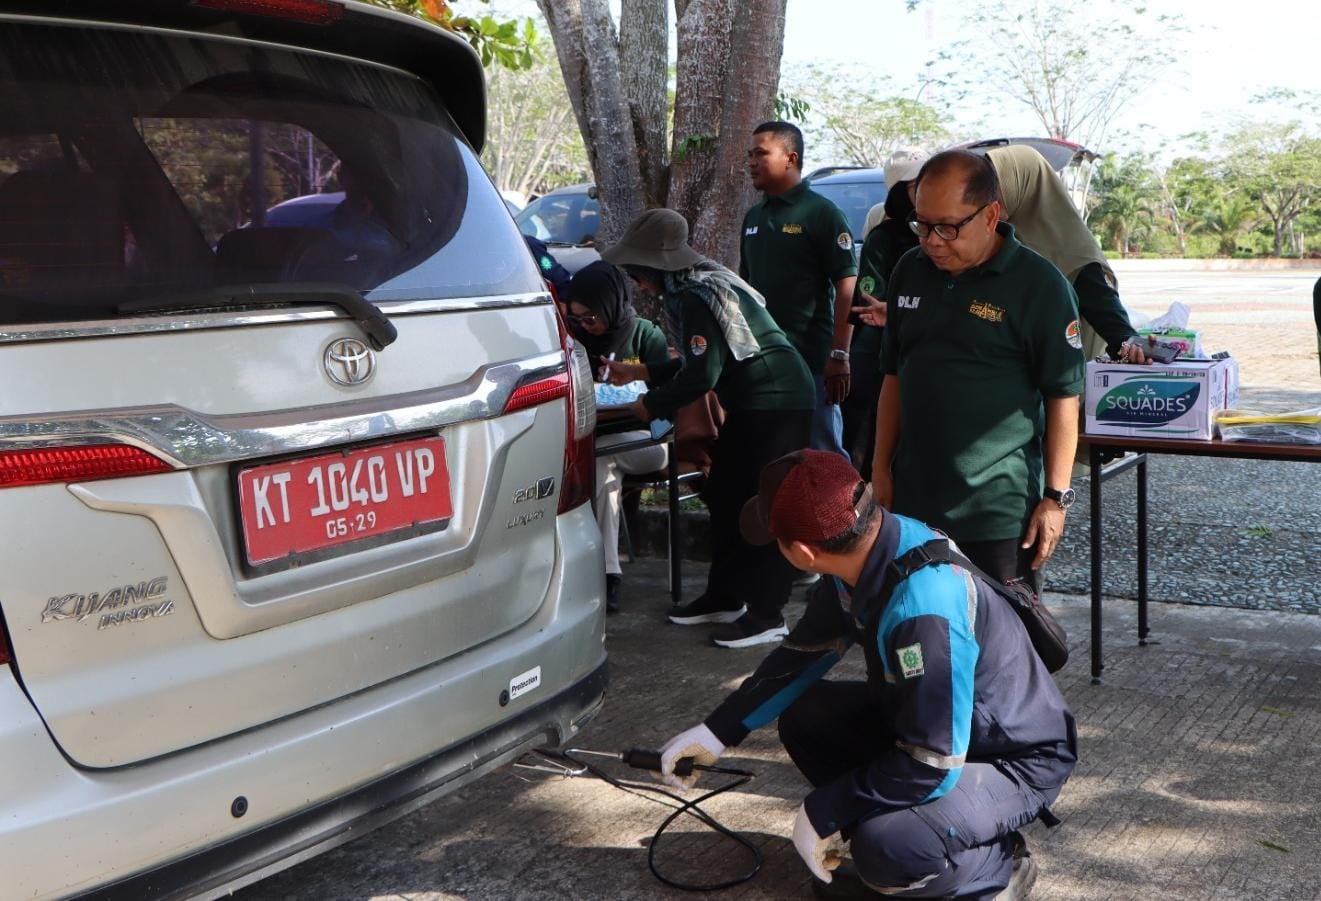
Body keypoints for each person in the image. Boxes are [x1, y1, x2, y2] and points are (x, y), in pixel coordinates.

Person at [655, 449, 1077, 898]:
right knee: (807, 716)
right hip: (945, 729)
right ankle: (923, 835)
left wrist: (825, 810)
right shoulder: (868, 549)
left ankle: (994, 867)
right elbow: (801, 654)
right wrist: (718, 731)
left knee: (888, 847)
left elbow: (933, 760)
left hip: (1011, 758)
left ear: (801, 552)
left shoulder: (923, 608)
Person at [863, 150, 1085, 593]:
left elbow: (1063, 397)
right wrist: (880, 469)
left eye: (948, 226)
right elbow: (894, 376)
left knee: (1007, 648)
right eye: (922, 224)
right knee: (917, 635)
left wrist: (1055, 499)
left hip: (998, 513)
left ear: (991, 215)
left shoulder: (1039, 285)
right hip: (914, 506)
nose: (932, 240)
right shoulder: (910, 271)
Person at [600, 208, 815, 647]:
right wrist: (639, 373)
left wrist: (651, 405)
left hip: (775, 402)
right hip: (758, 402)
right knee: (725, 494)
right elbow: (703, 360)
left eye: (637, 274)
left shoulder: (695, 295)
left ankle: (768, 613)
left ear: (654, 267)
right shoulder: (696, 284)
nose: (637, 284)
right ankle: (726, 594)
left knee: (762, 504)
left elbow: (703, 375)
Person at [740, 121, 858, 459]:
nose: (751, 161)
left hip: (812, 362)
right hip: (765, 364)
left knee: (823, 457)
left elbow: (847, 285)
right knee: (775, 458)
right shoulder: (753, 217)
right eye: (750, 154)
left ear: (790, 158)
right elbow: (746, 291)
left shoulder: (822, 213)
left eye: (761, 153)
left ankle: (845, 514)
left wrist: (839, 354)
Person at [563, 261, 671, 614]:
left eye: (591, 317)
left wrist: (647, 417)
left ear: (610, 304)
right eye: (577, 319)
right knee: (604, 466)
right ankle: (609, 573)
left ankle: (602, 573)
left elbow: (670, 411)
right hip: (600, 445)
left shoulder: (644, 336)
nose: (585, 326)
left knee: (600, 458)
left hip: (649, 442)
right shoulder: (577, 344)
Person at [987, 144, 1149, 365]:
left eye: (994, 185)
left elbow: (1103, 308)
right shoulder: (993, 238)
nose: (985, 195)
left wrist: (1128, 345)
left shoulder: (1071, 248)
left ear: (1022, 184)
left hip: (1051, 382)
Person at [842, 148, 928, 479]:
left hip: (919, 358)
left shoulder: (936, 235)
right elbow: (868, 302)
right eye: (917, 184)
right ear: (899, 192)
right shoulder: (884, 239)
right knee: (867, 446)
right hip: (878, 359)